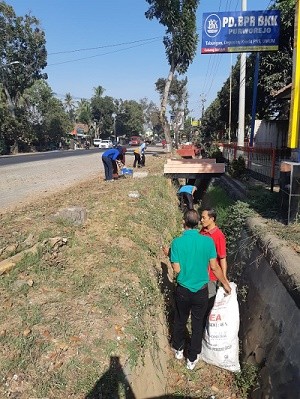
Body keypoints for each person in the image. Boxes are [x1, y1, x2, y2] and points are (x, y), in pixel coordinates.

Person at [166, 210, 231, 371]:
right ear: (197, 224)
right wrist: (225, 283)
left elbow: (176, 270)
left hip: (183, 290)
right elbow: (215, 267)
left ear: (184, 222)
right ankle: (192, 358)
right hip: (201, 291)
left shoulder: (176, 243)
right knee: (198, 324)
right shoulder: (208, 242)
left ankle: (179, 349)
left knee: (180, 320)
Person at [200, 207, 229, 322]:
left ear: (212, 219)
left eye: (204, 218)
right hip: (199, 273)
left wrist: (224, 278)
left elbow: (222, 258)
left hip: (211, 276)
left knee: (208, 303)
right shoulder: (202, 231)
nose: (201, 220)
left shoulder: (218, 236)